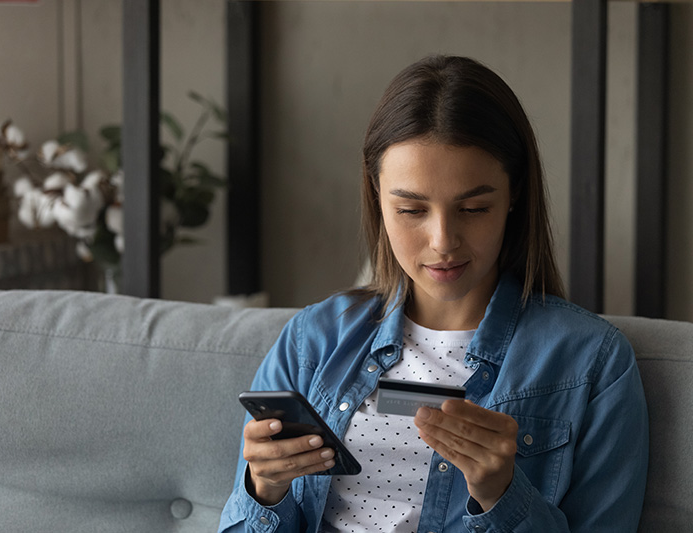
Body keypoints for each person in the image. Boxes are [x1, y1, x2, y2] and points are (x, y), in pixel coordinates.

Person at [218, 54, 648, 532]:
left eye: (474, 208)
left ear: (514, 197)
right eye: (411, 210)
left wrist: (502, 498)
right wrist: (264, 490)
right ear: (376, 198)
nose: (443, 241)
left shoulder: (592, 363)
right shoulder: (312, 340)